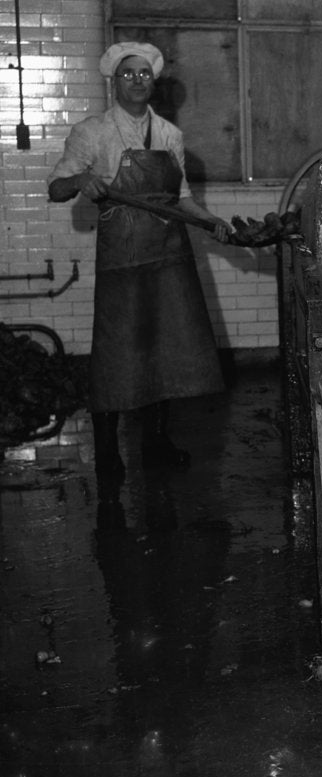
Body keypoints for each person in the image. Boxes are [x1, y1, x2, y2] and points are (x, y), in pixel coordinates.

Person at [48, 42, 231, 532]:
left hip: (168, 255)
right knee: (117, 354)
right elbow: (55, 187)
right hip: (123, 260)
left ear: (153, 82)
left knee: (165, 349)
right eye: (127, 74)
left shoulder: (169, 134)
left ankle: (157, 442)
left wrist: (212, 222)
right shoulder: (92, 132)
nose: (136, 81)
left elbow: (183, 199)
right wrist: (83, 179)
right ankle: (109, 451)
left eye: (143, 75)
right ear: (114, 81)